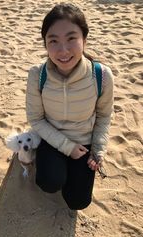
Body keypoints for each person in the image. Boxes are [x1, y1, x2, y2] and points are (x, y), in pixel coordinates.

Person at [26, 3, 114, 210]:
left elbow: (104, 116)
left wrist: (98, 150)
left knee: (78, 202)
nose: (63, 50)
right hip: (52, 137)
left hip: (85, 143)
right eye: (53, 41)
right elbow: (36, 119)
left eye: (71, 38)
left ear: (84, 39)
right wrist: (67, 147)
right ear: (45, 44)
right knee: (48, 183)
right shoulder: (37, 75)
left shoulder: (101, 75)